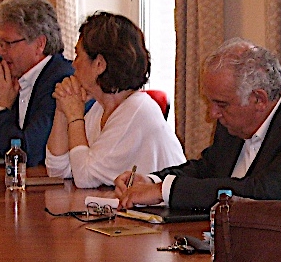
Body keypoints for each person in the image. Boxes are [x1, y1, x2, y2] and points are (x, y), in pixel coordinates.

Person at [116, 38, 281, 209]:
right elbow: (208, 169)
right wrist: (152, 180)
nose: (212, 114)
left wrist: (165, 192)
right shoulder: (237, 116)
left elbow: (264, 194)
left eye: (221, 105)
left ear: (259, 99)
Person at [44, 12, 184, 187]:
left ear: (99, 65)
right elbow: (58, 170)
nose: (73, 64)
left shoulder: (137, 110)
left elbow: (84, 177)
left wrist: (74, 116)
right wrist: (62, 108)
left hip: (167, 212)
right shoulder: (100, 109)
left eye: (78, 55)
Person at [0, 0, 74, 166]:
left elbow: (28, 153)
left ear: (40, 44)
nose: (1, 52)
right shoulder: (12, 75)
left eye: (8, 43)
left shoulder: (59, 81)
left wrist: (1, 109)